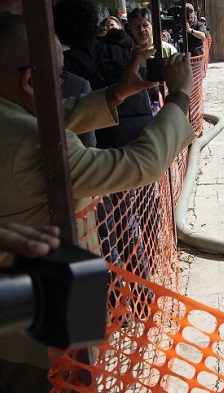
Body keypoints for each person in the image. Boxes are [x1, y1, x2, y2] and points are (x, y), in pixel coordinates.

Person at [0, 13, 194, 391]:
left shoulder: (10, 119)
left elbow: (48, 118)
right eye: (56, 78)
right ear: (28, 80)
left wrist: (118, 92)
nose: (60, 88)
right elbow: (139, 165)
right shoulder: (28, 143)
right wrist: (181, 96)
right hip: (35, 333)